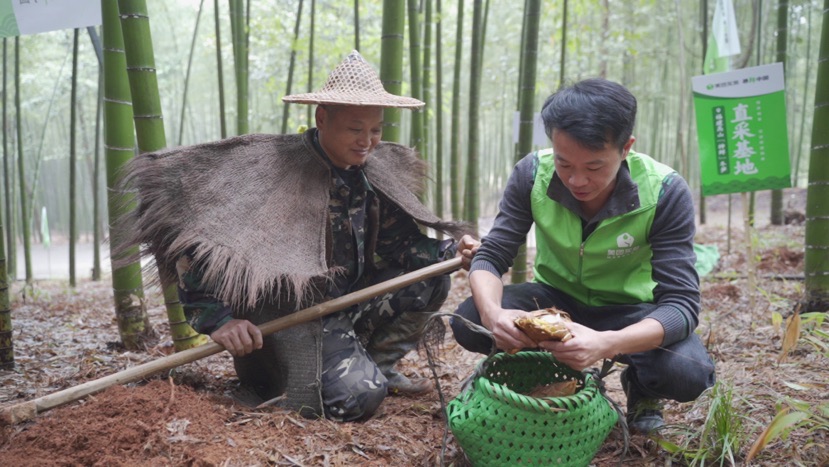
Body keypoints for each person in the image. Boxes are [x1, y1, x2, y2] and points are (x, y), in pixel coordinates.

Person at [120, 51, 478, 422]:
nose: (367, 142)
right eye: (356, 129)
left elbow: (399, 246)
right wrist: (219, 320)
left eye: (376, 129)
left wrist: (454, 250)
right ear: (322, 118)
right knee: (357, 402)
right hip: (296, 314)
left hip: (351, 300)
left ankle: (378, 366)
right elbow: (199, 248)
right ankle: (311, 377)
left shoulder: (372, 172)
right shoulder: (272, 170)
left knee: (433, 275)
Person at [450, 78, 716, 433]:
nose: (577, 180)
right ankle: (544, 375)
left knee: (687, 371)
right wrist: (494, 313)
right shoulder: (531, 174)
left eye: (593, 167)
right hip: (553, 303)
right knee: (469, 319)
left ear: (626, 149)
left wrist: (606, 343)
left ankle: (641, 386)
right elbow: (492, 255)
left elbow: (682, 307)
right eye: (564, 164)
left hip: (629, 309)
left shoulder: (665, 192)